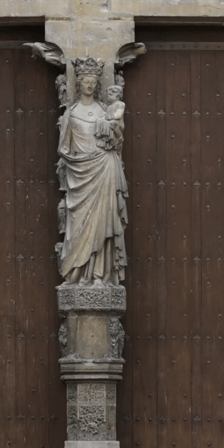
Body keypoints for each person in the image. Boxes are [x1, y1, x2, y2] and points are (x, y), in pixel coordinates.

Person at [56, 57, 128, 285]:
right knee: (78, 224)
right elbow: (63, 148)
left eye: (93, 81)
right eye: (86, 81)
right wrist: (73, 162)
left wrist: (114, 133)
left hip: (104, 170)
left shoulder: (105, 112)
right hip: (80, 176)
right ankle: (76, 273)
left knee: (103, 222)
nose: (90, 85)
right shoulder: (72, 113)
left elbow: (118, 144)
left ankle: (99, 274)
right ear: (79, 84)